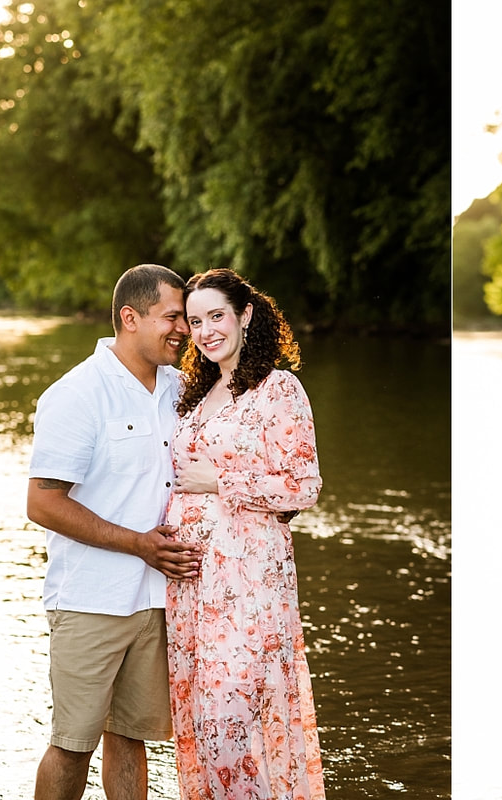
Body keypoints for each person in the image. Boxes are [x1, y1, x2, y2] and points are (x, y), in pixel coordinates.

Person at [27, 263, 202, 800]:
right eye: (172, 317)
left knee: (131, 739)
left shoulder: (181, 389)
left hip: (156, 600)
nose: (184, 330)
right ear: (130, 317)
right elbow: (42, 503)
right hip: (90, 598)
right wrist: (138, 545)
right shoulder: (78, 394)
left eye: (186, 319)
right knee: (73, 743)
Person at [165, 268, 325, 799]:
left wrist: (222, 480)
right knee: (204, 721)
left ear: (245, 316)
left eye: (217, 316)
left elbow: (303, 487)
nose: (207, 330)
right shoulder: (196, 393)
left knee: (236, 707)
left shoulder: (278, 388)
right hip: (192, 584)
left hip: (250, 581)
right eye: (195, 321)